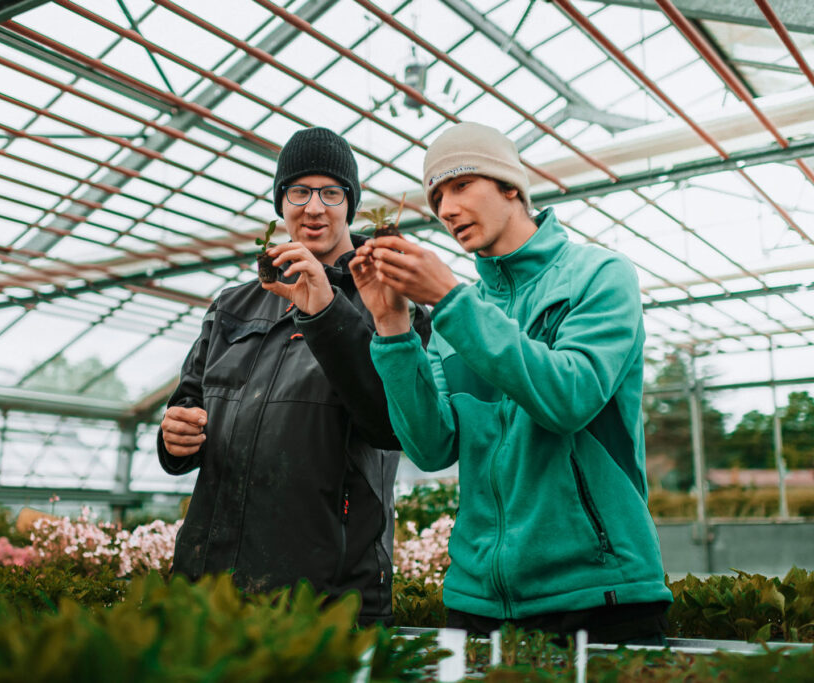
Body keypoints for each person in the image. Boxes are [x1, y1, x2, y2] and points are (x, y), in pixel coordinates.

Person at [349, 122, 671, 643]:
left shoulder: (598, 276)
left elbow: (570, 398)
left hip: (599, 594)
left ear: (510, 187)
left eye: (459, 186)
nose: (446, 209)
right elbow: (431, 448)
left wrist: (452, 301)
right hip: (476, 603)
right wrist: (393, 328)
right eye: (436, 198)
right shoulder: (457, 318)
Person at [158, 127, 430, 624]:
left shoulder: (386, 300)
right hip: (210, 586)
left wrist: (326, 311)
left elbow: (391, 425)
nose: (314, 207)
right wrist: (173, 437)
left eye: (331, 193)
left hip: (327, 595)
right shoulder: (233, 305)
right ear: (280, 201)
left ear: (350, 203)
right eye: (298, 191)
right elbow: (188, 403)